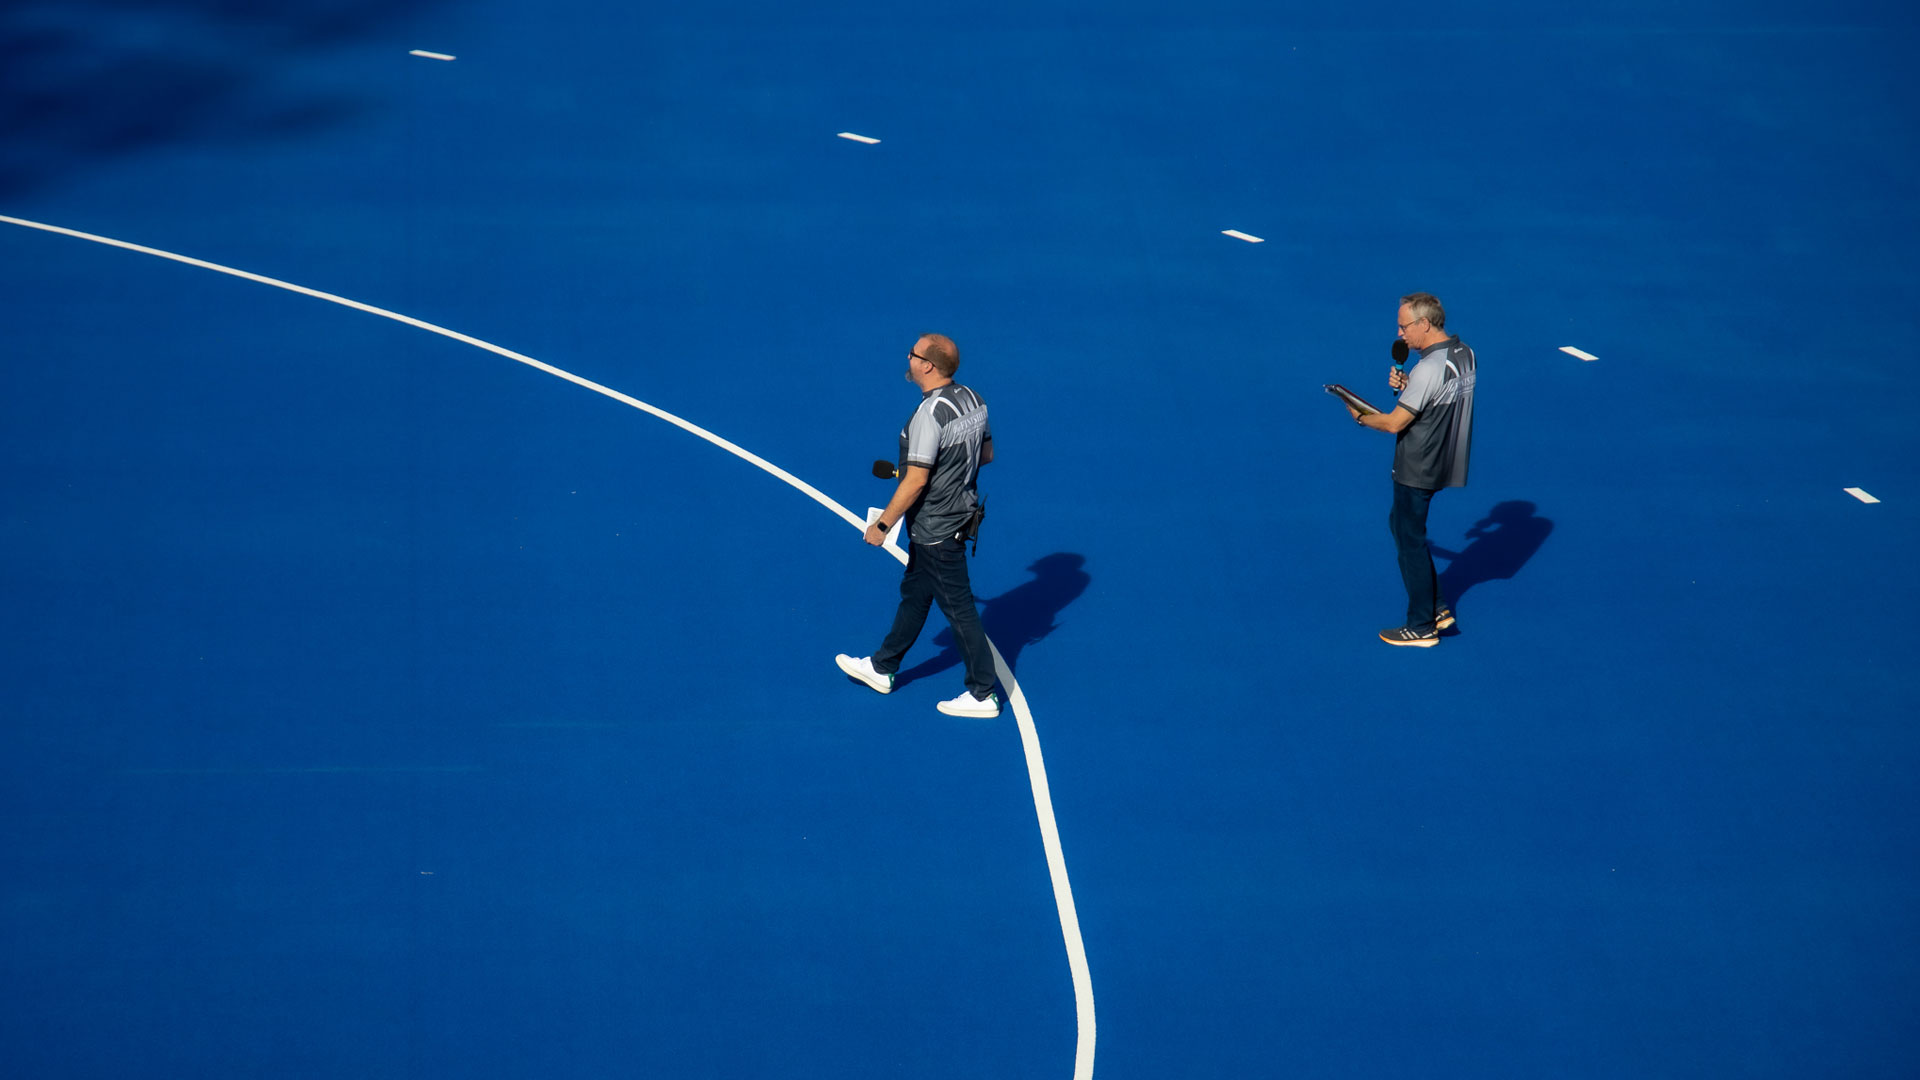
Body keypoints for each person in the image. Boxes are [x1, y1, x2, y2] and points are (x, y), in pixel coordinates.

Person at [835, 333, 1000, 716]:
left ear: (927, 365)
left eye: (913, 354)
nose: (908, 358)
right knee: (916, 594)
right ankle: (883, 666)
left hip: (935, 530)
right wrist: (946, 470)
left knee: (959, 611)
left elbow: (916, 481)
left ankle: (983, 694)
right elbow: (986, 455)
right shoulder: (973, 399)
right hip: (959, 515)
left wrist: (882, 525)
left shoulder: (928, 414)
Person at [1345, 292, 1477, 647]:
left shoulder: (1427, 368)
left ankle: (1421, 626)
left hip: (1417, 466)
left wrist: (1360, 417)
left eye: (1404, 327)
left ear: (1425, 324)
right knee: (1402, 527)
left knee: (1409, 541)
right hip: (1445, 459)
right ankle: (1437, 606)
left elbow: (1393, 424)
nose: (1400, 333)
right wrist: (1410, 388)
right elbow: (1439, 397)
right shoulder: (1464, 354)